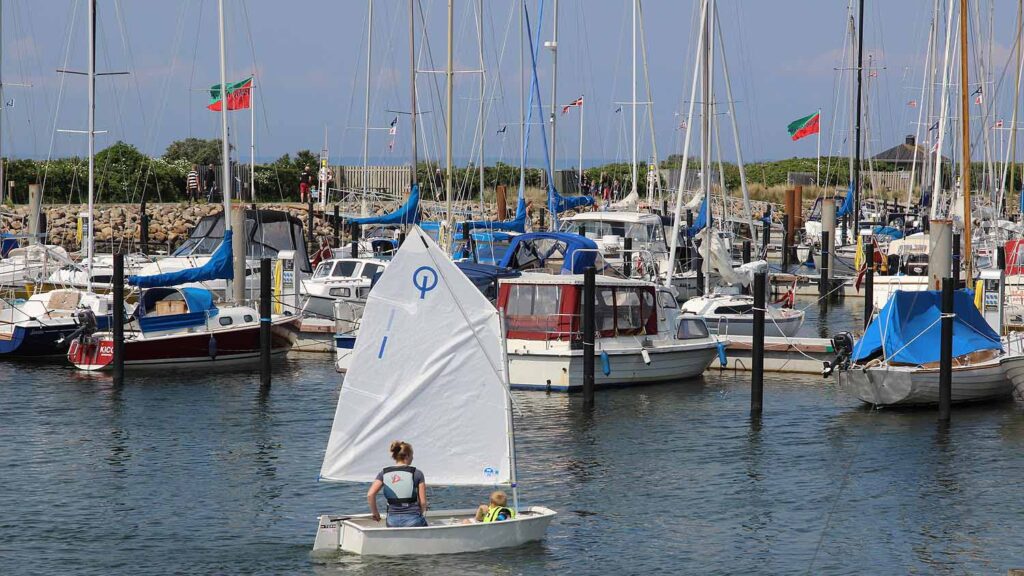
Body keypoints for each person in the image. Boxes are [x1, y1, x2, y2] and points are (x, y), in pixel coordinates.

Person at [367, 441, 428, 528]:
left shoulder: (383, 473)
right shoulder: (417, 473)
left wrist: (375, 514)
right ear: (407, 455)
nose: (413, 458)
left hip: (392, 522)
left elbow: (370, 494)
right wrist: (420, 514)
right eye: (412, 455)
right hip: (414, 521)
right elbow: (423, 503)